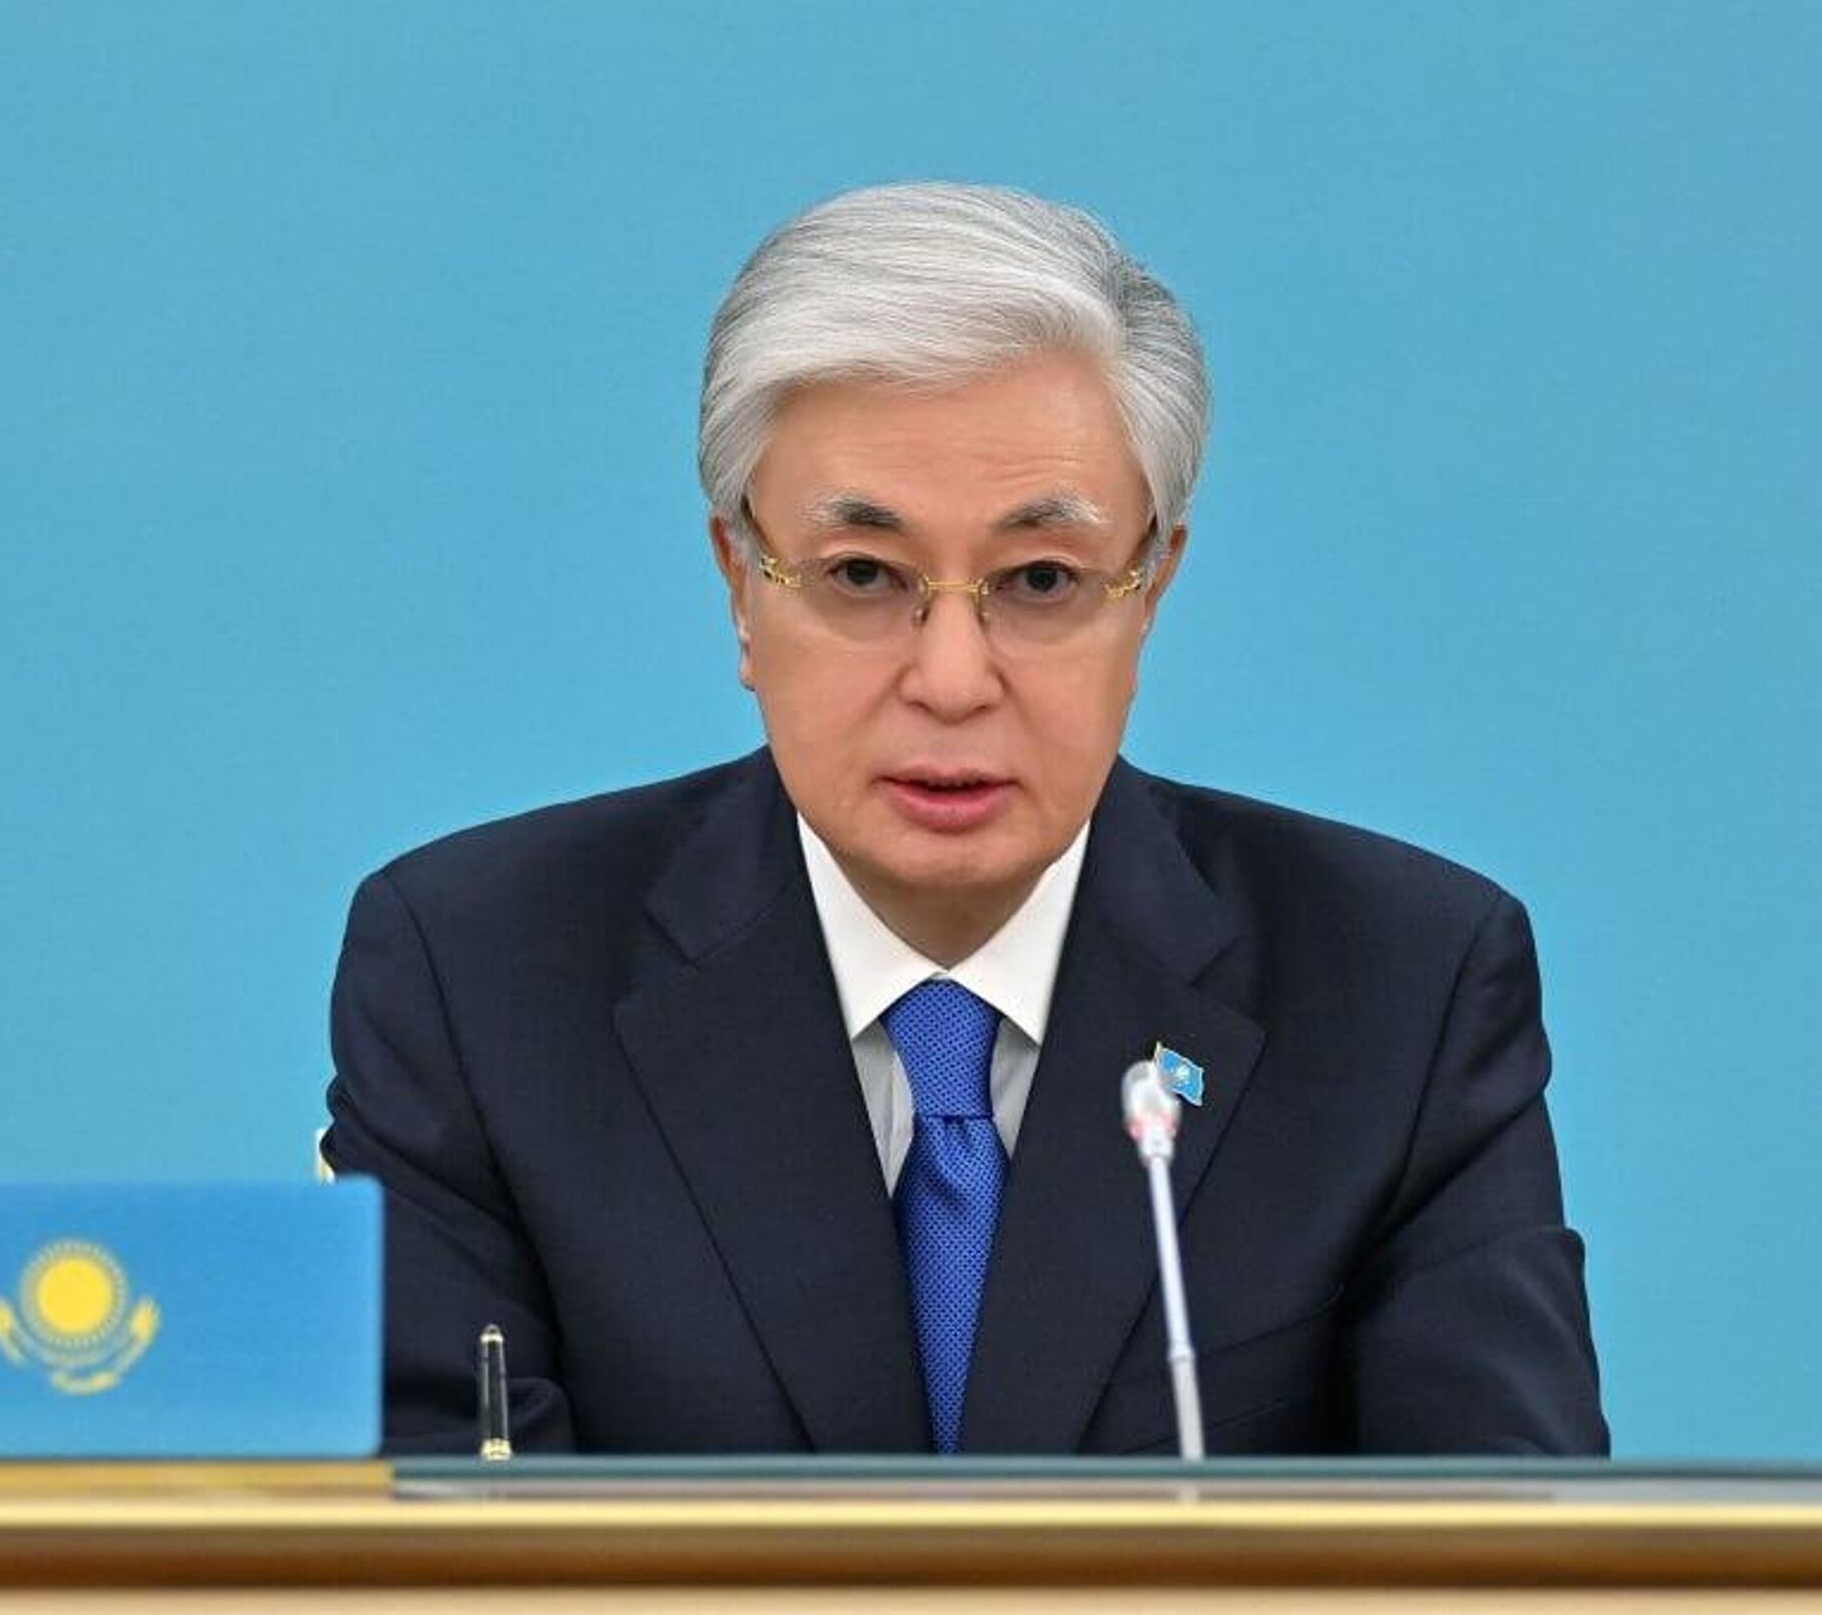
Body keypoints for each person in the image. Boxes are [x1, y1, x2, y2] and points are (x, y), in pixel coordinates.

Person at [324, 181, 1607, 1457]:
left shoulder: (1401, 991)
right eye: (863, 576)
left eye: (1041, 579)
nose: (951, 680)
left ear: (1150, 589)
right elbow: (435, 1556)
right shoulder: (481, 980)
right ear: (740, 585)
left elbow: (1509, 1561)